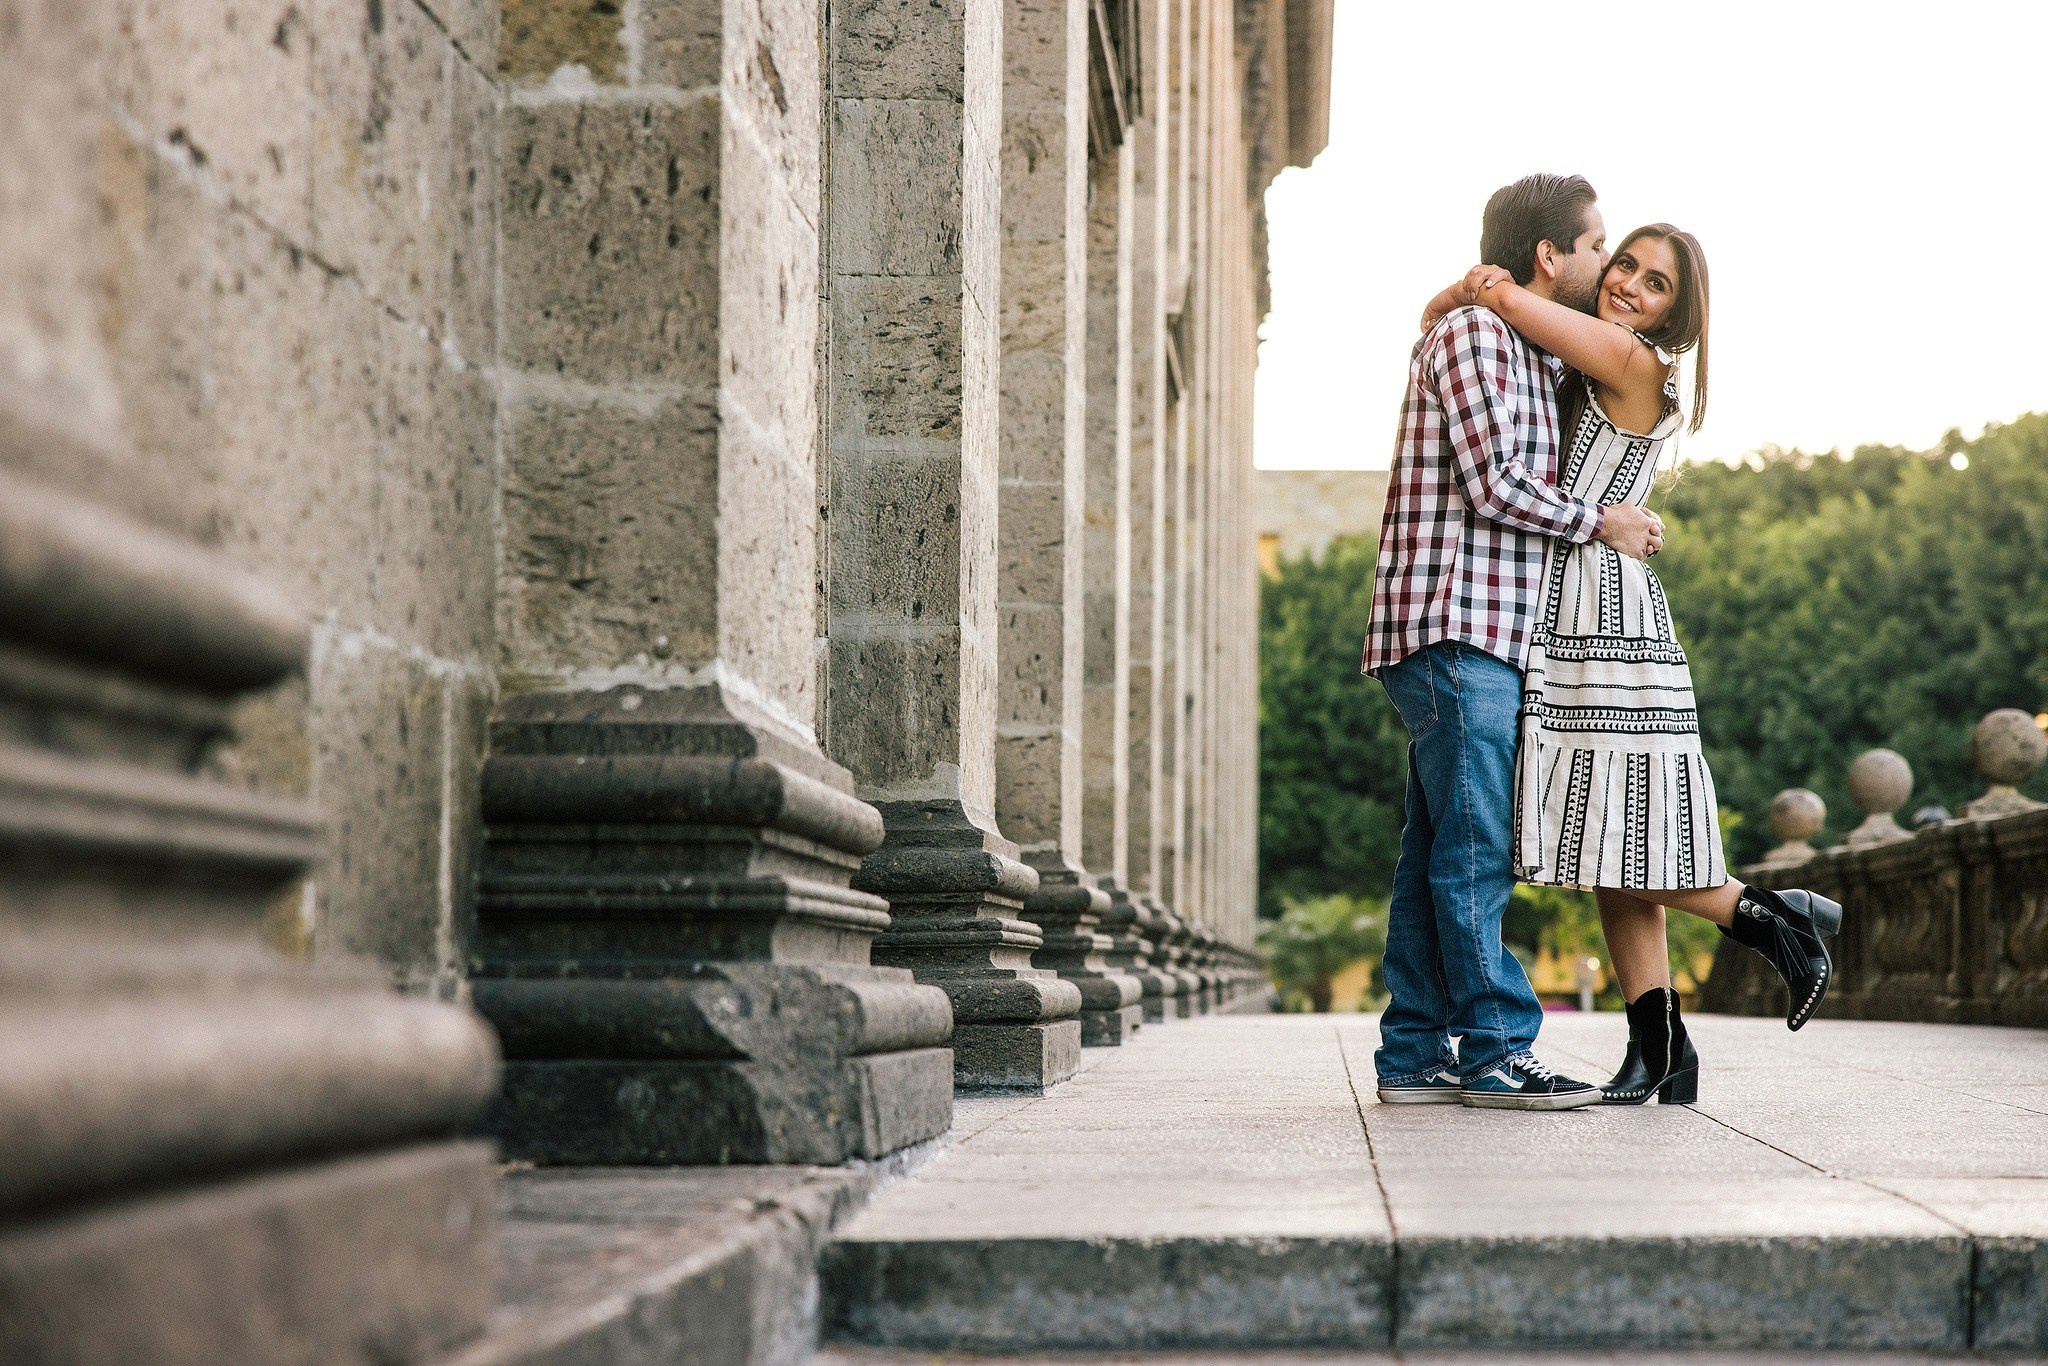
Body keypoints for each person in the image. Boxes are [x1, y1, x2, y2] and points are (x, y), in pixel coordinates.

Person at [1418, 223, 1843, 1107]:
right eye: (1624, 265)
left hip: (1601, 614)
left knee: (1611, 830)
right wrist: (1466, 294)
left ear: (1674, 316)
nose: (1629, 285)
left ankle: (1768, 917)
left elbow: (1500, 299)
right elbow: (1441, 318)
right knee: (1616, 826)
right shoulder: (1594, 356)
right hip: (1579, 602)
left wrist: (1489, 281)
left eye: (1656, 284)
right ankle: (1661, 1047)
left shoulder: (1629, 357)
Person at [1362, 174, 1664, 1111]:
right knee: (1478, 849)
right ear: (1549, 254)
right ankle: (1497, 1048)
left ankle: (1413, 1053)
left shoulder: (1525, 347)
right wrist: (1603, 522)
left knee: (1435, 852)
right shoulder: (1477, 338)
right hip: (1454, 626)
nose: (1606, 263)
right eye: (1597, 246)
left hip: (1484, 634)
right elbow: (1494, 482)